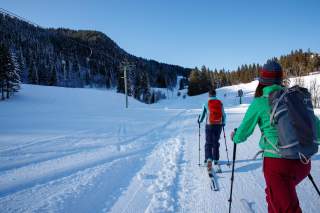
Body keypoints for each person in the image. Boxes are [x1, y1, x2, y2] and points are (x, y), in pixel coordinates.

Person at [230, 60, 320, 213]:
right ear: (280, 79)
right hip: (303, 164)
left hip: (278, 166)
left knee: (287, 207)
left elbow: (242, 135)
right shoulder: (295, 98)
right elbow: (316, 127)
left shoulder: (259, 102)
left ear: (262, 80)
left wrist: (235, 136)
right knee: (275, 196)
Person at [198, 88, 226, 172]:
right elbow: (224, 114)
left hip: (209, 125)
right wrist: (223, 123)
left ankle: (208, 159)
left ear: (209, 95)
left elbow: (203, 114)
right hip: (219, 125)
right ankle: (216, 160)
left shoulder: (206, 103)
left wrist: (199, 121)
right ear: (215, 94)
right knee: (216, 142)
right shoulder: (220, 103)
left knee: (208, 142)